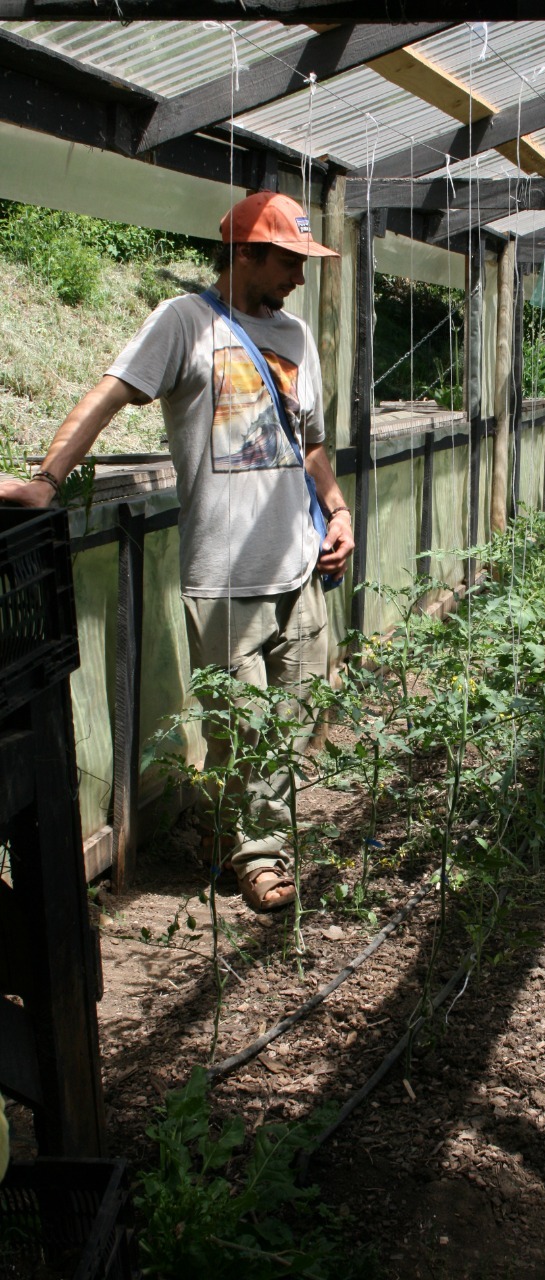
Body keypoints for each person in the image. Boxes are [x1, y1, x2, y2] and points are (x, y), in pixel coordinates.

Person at [0, 191, 355, 913]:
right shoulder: (184, 322)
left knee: (290, 721)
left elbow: (310, 440)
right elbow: (110, 392)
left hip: (301, 562)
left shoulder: (296, 334)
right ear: (244, 253)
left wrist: (338, 509)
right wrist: (45, 481)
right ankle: (254, 854)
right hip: (225, 575)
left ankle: (254, 838)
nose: (298, 275)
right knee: (241, 725)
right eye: (287, 259)